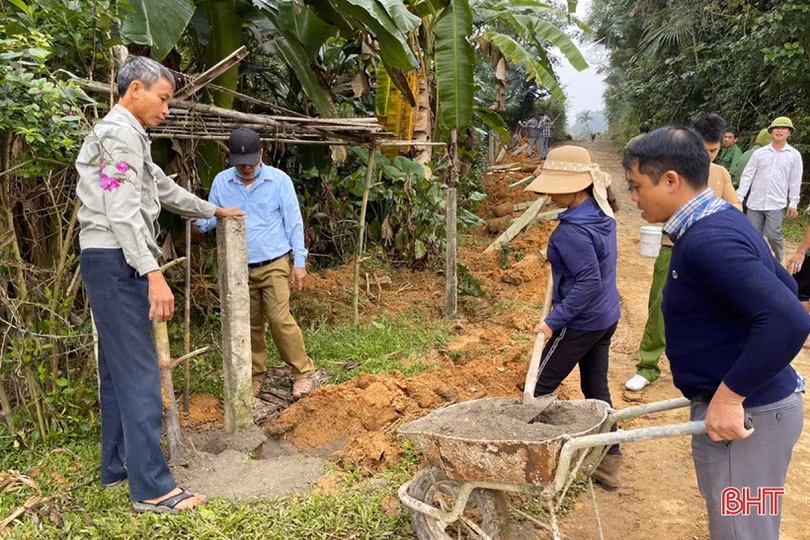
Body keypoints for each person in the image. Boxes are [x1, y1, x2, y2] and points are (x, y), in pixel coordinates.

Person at [75, 56, 244, 513]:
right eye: (163, 98)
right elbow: (123, 211)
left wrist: (213, 211)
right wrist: (152, 272)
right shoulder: (118, 136)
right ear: (135, 91)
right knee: (142, 375)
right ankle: (152, 488)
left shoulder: (129, 137)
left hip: (106, 258)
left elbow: (161, 189)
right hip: (117, 260)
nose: (167, 109)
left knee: (116, 372)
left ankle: (117, 468)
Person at [624, 125, 807, 540]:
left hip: (746, 420)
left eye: (636, 187)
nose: (633, 198)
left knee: (742, 532)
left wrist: (729, 397)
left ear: (670, 180)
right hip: (758, 415)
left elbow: (789, 318)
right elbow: (787, 287)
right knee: (750, 525)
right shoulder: (723, 219)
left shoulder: (711, 240)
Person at [525, 145, 622, 490]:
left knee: (538, 388)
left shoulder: (570, 231)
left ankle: (540, 459)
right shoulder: (602, 212)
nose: (549, 192)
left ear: (579, 186)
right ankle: (609, 461)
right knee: (595, 387)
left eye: (556, 186)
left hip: (581, 323)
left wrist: (553, 321)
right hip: (606, 317)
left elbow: (588, 281)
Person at [196, 128, 317, 400]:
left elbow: (294, 222)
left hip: (274, 262)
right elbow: (210, 217)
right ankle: (255, 375)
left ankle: (302, 371)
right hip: (237, 266)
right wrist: (195, 218)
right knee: (248, 323)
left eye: (250, 162)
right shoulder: (222, 182)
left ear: (261, 154)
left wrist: (299, 262)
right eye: (240, 164)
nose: (246, 168)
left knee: (278, 318)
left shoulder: (279, 181)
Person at [626, 113, 742, 392]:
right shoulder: (671, 172)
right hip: (672, 249)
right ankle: (648, 365)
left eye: (713, 151)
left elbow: (735, 209)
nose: (708, 156)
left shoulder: (720, 175)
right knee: (660, 308)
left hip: (708, 253)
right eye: (703, 150)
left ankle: (709, 369)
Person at [736, 117, 803, 262]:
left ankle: (778, 259)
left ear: (789, 132)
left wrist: (793, 203)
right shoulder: (759, 153)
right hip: (755, 201)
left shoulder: (794, 155)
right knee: (753, 235)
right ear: (771, 131)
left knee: (773, 234)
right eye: (776, 128)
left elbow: (795, 180)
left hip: (776, 202)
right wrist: (739, 198)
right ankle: (755, 261)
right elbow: (747, 176)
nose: (779, 130)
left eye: (783, 128)